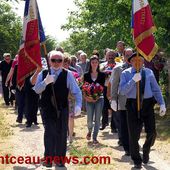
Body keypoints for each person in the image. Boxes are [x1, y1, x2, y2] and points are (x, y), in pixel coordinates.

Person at [34, 50, 82, 168]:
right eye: (53, 60)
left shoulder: (68, 74)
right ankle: (49, 159)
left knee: (61, 133)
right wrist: (45, 82)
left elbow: (76, 91)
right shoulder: (44, 73)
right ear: (49, 61)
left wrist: (78, 105)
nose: (56, 63)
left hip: (62, 107)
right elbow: (36, 90)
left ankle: (60, 159)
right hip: (47, 107)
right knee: (50, 132)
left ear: (62, 61)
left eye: (59, 60)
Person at [119, 52, 166, 169]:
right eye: (134, 60)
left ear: (143, 62)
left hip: (147, 104)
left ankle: (146, 149)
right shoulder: (125, 73)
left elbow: (156, 89)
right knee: (134, 135)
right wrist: (133, 81)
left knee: (152, 132)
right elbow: (122, 91)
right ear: (130, 62)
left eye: (140, 60)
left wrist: (162, 104)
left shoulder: (149, 72)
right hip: (132, 105)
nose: (137, 62)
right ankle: (137, 160)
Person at [110, 47, 133, 155]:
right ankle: (127, 147)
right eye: (127, 55)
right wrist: (113, 99)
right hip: (123, 101)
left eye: (131, 55)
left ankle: (133, 143)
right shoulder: (118, 68)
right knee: (124, 125)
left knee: (135, 125)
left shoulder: (138, 67)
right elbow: (114, 85)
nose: (129, 57)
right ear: (123, 56)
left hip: (135, 101)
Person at [83, 55, 105, 144]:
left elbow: (102, 88)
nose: (94, 64)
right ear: (90, 63)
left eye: (96, 62)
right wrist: (87, 97)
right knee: (89, 119)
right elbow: (84, 87)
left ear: (98, 63)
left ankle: (95, 137)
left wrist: (96, 98)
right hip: (88, 100)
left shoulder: (102, 75)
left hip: (99, 99)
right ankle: (89, 130)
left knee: (97, 119)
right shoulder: (86, 75)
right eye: (93, 62)